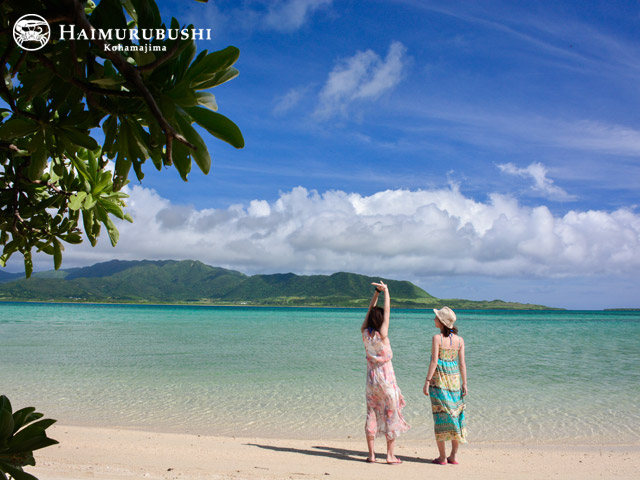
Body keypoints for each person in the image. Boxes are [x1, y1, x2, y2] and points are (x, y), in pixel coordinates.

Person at [360, 281, 410, 464]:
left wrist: (376, 293)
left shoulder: (365, 334)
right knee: (391, 414)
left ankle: (372, 455)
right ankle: (389, 455)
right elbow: (387, 312)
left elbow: (369, 311)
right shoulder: (383, 334)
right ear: (380, 321)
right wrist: (386, 291)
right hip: (387, 380)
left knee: (371, 413)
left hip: (372, 381)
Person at [423, 306, 468, 465]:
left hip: (439, 382)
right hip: (455, 382)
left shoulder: (437, 338)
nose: (434, 319)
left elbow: (434, 361)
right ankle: (453, 456)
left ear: (441, 322)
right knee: (455, 416)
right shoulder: (460, 340)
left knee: (440, 417)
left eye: (436, 317)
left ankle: (442, 457)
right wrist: (465, 384)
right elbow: (462, 364)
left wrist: (427, 381)